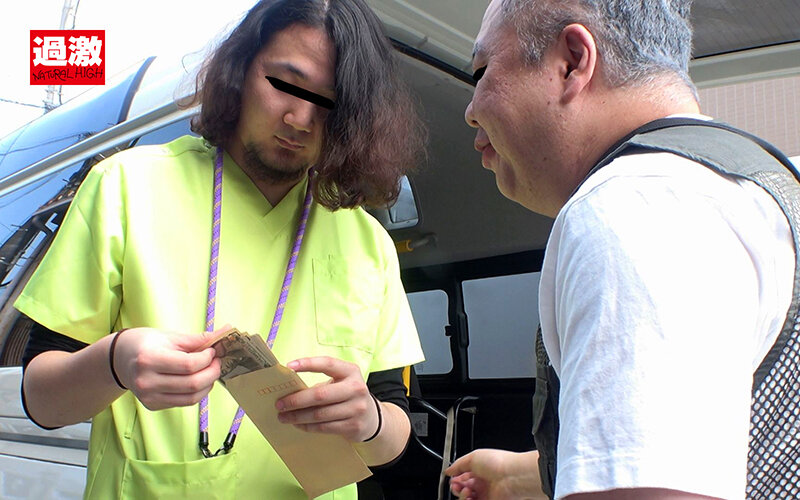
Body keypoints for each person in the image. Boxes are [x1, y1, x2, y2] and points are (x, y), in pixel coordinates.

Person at [15, 0, 426, 498]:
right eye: (284, 83)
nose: (299, 117)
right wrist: (115, 363)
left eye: (328, 103)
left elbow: (396, 424)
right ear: (239, 70)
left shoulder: (370, 244)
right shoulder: (126, 187)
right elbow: (41, 400)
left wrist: (370, 421)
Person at [446, 0, 799, 499]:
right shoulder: (751, 180)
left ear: (571, 61)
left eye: (482, 72)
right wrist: (517, 476)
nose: (469, 109)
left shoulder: (636, 206)